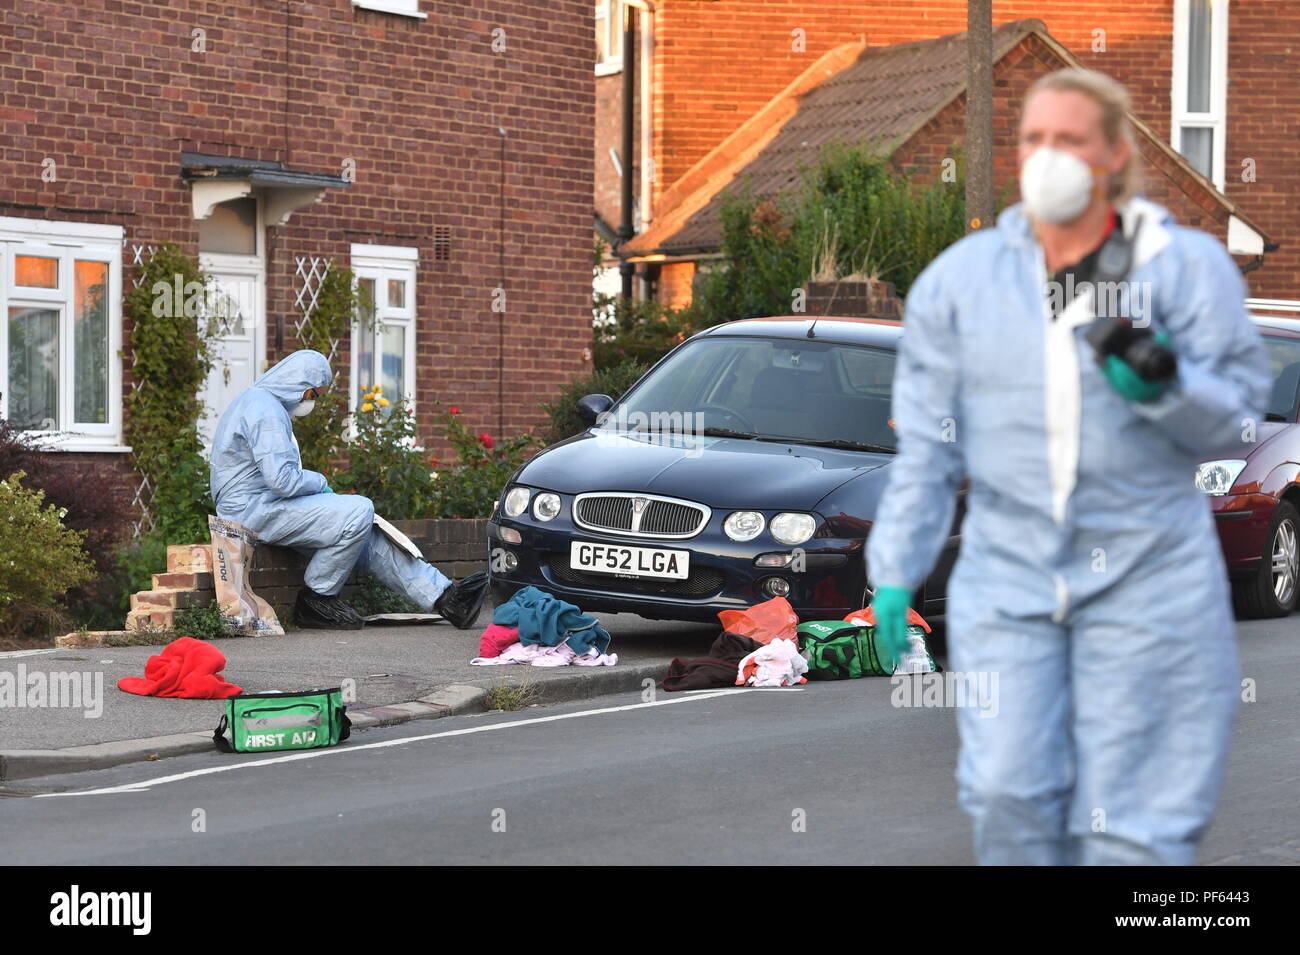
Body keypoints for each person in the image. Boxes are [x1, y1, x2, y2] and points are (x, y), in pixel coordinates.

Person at [866, 68, 1271, 865]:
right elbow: (926, 451)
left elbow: (1236, 414)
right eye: (1034, 139)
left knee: (1137, 826)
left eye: (1070, 140)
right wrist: (894, 574)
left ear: (1115, 155)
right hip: (1009, 574)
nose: (1047, 156)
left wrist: (1164, 386)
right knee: (1007, 797)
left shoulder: (1186, 269)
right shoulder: (965, 280)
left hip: (1151, 571)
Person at [208, 349, 486, 630]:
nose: (312, 402)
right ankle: (317, 599)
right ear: (299, 385)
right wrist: (320, 483)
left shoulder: (261, 403)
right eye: (313, 395)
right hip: (251, 511)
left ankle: (446, 599)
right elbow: (283, 481)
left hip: (263, 504)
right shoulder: (265, 410)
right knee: (360, 510)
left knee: (364, 530)